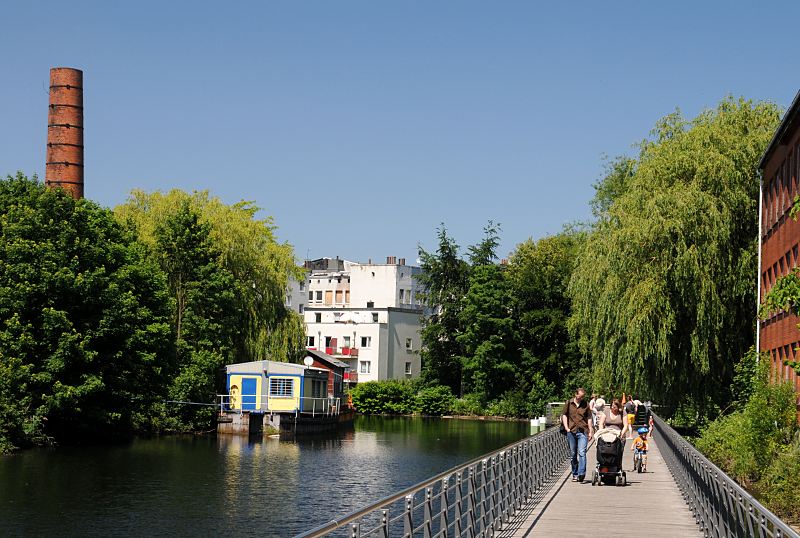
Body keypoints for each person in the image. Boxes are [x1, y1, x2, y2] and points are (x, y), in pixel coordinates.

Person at [561, 387, 594, 483]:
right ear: (576, 394)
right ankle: (575, 473)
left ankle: (581, 474)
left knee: (582, 452)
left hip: (582, 431)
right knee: (573, 454)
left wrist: (591, 431)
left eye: (583, 397)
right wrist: (566, 427)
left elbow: (589, 418)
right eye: (580, 396)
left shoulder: (586, 404)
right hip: (571, 431)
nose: (581, 398)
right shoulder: (569, 403)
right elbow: (564, 415)